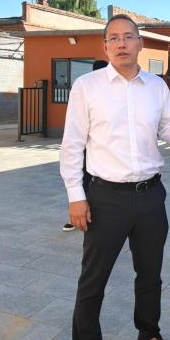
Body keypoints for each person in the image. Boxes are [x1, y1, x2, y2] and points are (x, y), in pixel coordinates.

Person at [60, 14, 170, 340]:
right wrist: (76, 195)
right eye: (113, 38)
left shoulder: (156, 87)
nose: (121, 44)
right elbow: (72, 145)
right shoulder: (87, 87)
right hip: (106, 197)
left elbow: (167, 132)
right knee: (94, 280)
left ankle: (148, 336)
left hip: (151, 195)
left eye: (128, 37)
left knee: (150, 274)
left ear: (140, 43)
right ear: (105, 47)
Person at [62, 59, 109, 232]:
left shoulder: (109, 90)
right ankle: (82, 213)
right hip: (88, 149)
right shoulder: (87, 86)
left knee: (87, 180)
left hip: (94, 150)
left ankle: (83, 213)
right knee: (87, 180)